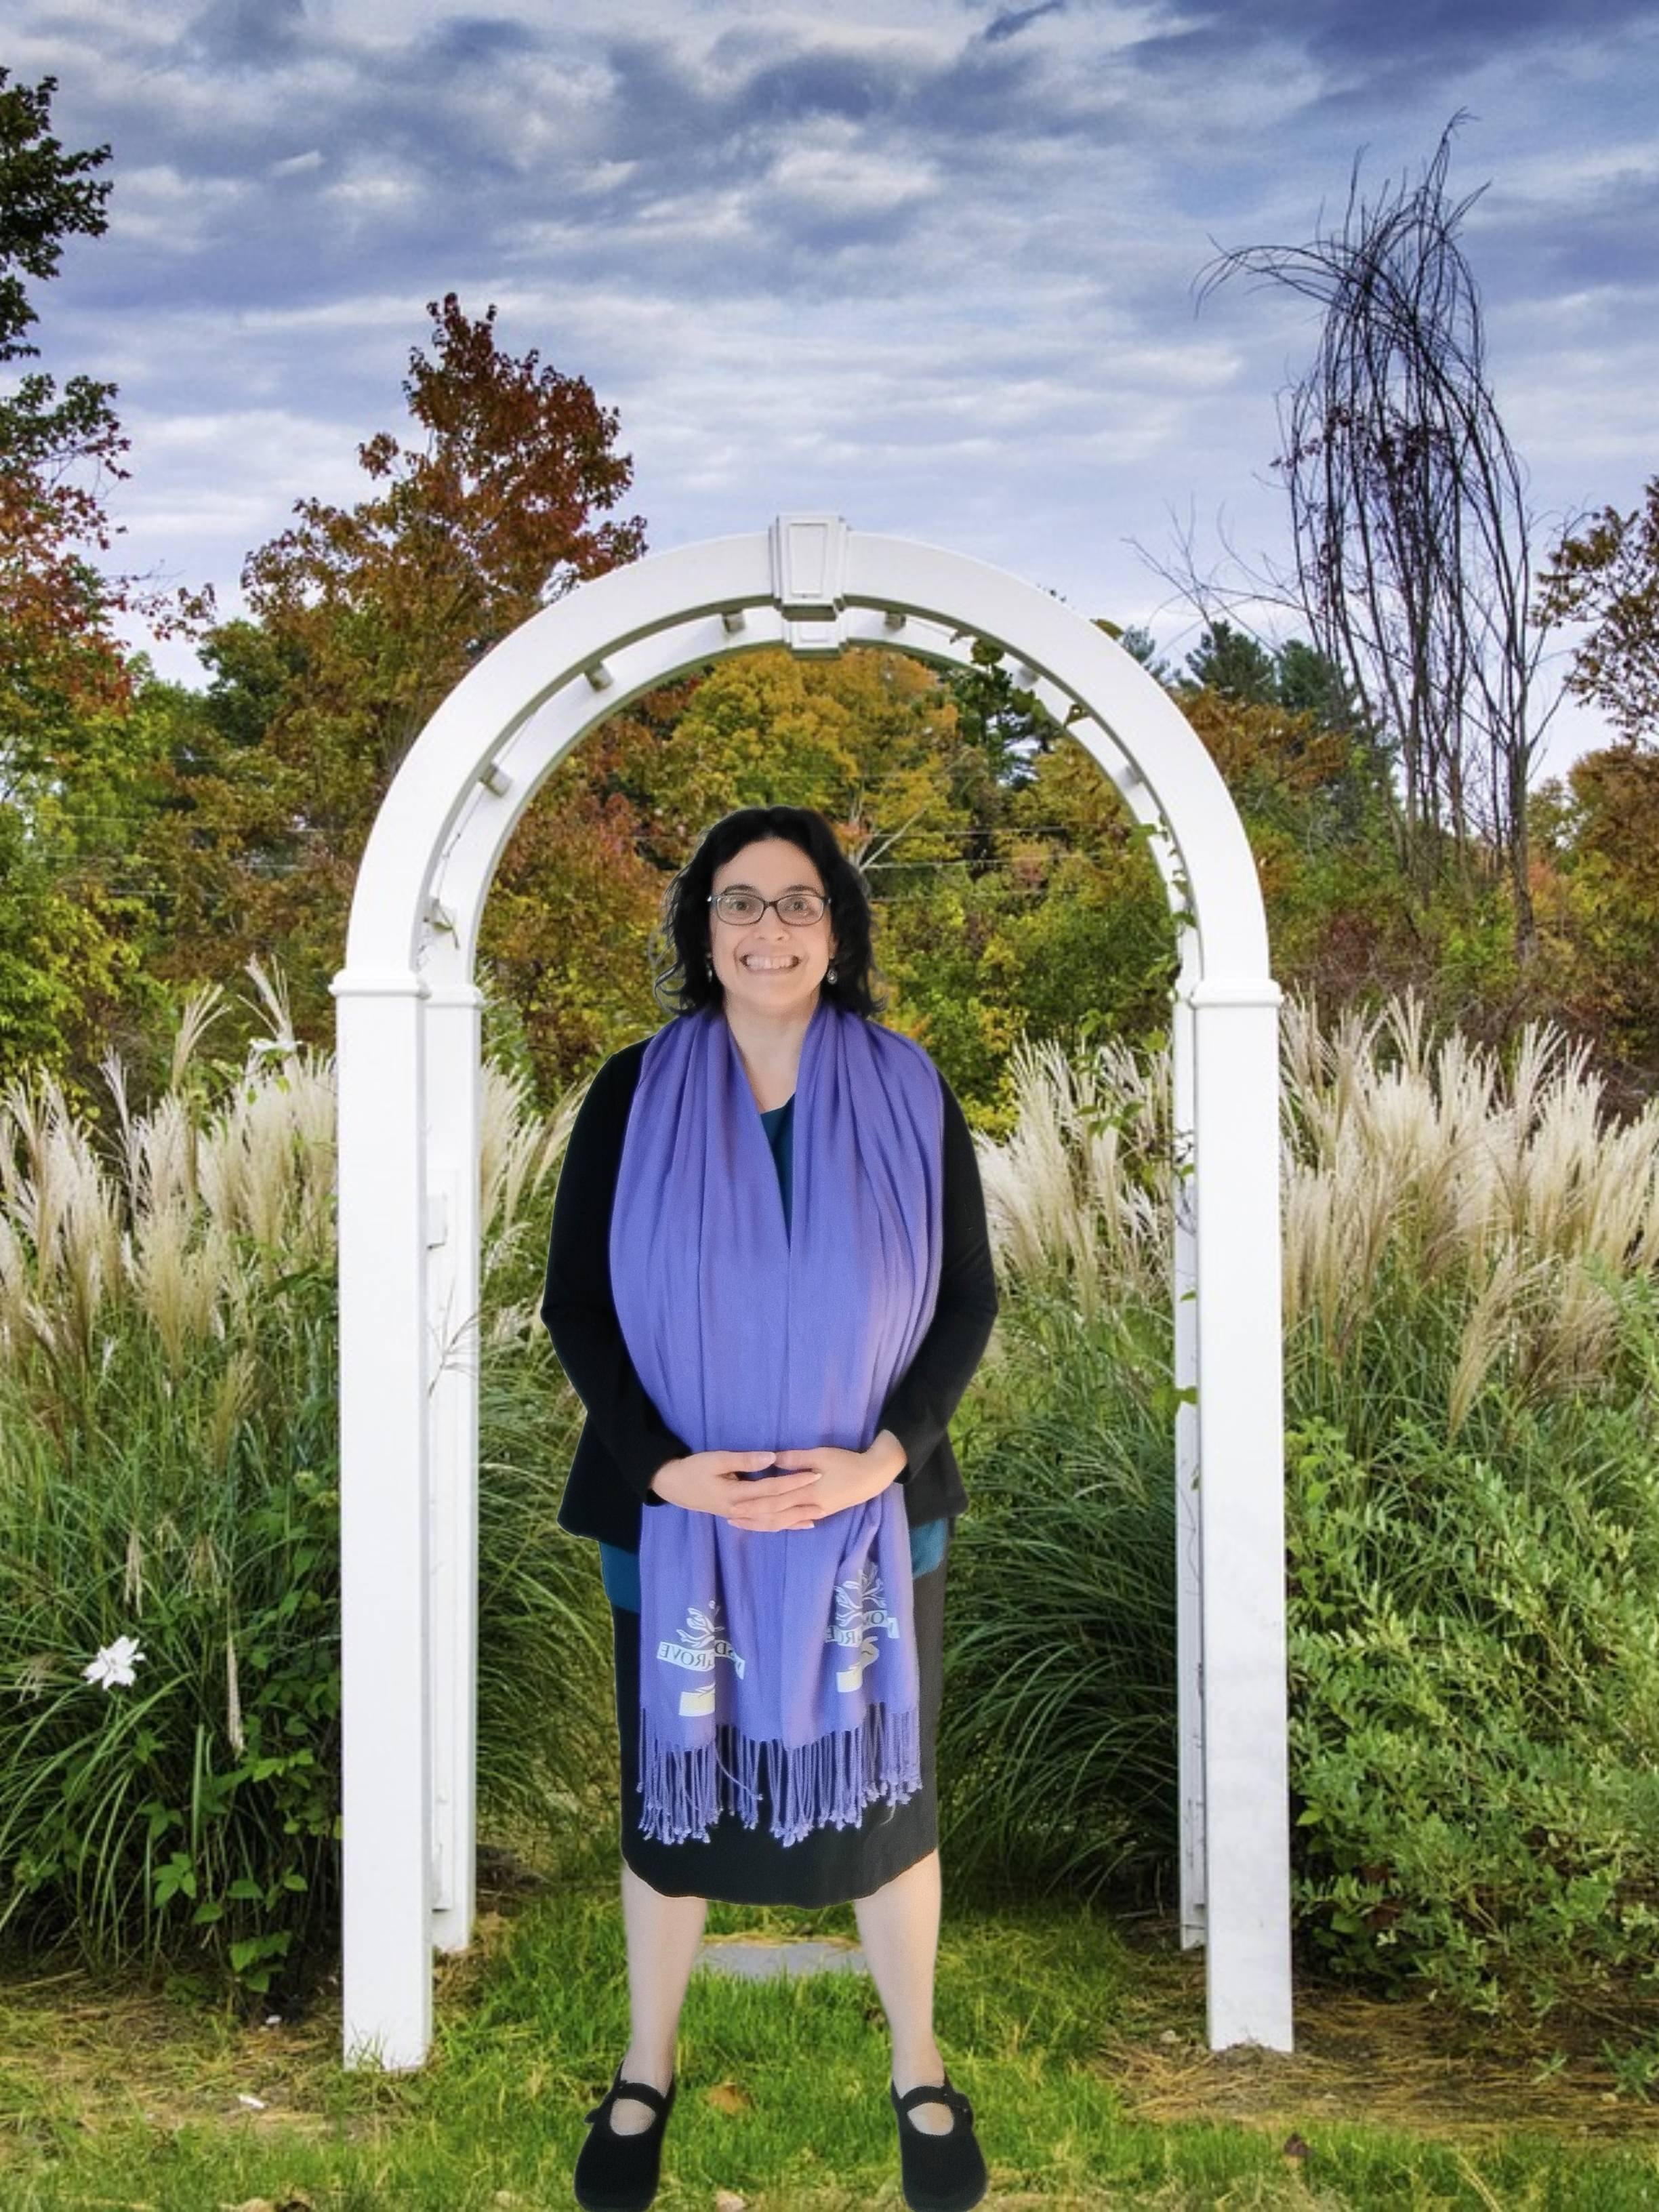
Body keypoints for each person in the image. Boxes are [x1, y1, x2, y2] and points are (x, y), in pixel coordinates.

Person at [541, 803, 998, 2212]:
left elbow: (967, 1300)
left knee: (888, 1798)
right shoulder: (633, 1090)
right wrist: (661, 1468)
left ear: (841, 930)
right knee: (669, 1810)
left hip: (875, 1506)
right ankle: (644, 2072)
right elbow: (576, 1304)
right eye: (739, 903)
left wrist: (883, 1455)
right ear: (701, 929)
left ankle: (918, 2070)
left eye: (799, 903)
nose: (770, 929)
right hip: (671, 1511)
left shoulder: (911, 1086)